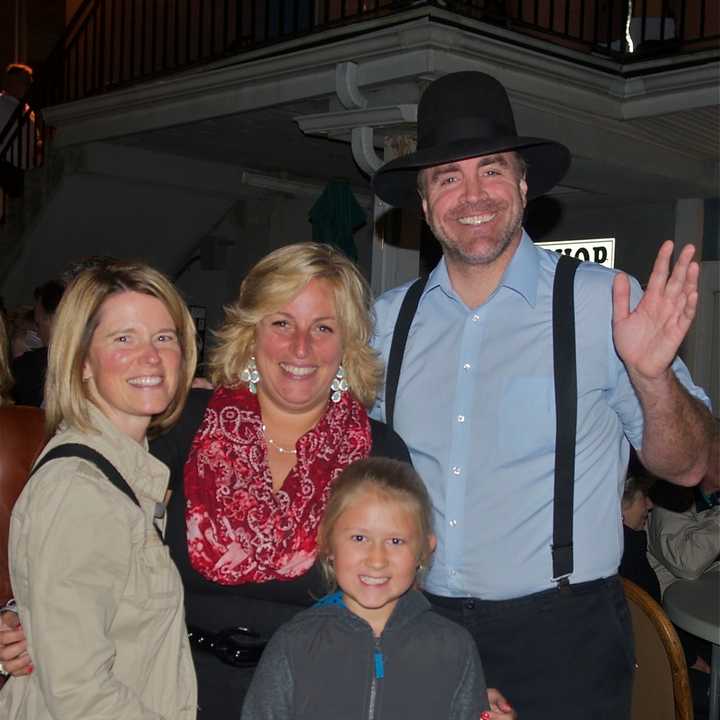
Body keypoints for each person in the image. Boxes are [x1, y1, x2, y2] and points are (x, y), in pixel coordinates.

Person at [0, 244, 514, 718]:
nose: (300, 346)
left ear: (347, 343)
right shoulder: (182, 424)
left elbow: (401, 592)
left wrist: (458, 685)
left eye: (323, 328)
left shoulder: (377, 453)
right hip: (166, 694)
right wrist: (22, 615)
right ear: (252, 331)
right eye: (281, 322)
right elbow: (88, 543)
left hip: (312, 697)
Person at [370, 71, 716, 718]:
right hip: (417, 623)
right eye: (447, 177)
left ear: (524, 185)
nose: (472, 194)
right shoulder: (386, 323)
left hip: (565, 640)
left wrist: (651, 375)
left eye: (492, 170)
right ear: (423, 203)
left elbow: (689, 464)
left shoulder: (605, 303)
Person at [0, 260, 198, 718]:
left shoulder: (126, 475)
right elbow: (80, 695)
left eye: (164, 337)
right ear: (83, 361)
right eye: (123, 338)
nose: (150, 356)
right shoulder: (81, 490)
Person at [242, 457, 489, 720]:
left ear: (424, 550)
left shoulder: (454, 647)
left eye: (396, 541)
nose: (377, 559)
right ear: (327, 542)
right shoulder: (293, 644)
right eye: (359, 538)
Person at [11, 280, 64, 406]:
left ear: (53, 320)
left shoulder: (34, 363)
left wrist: (19, 358)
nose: (39, 334)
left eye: (39, 325)